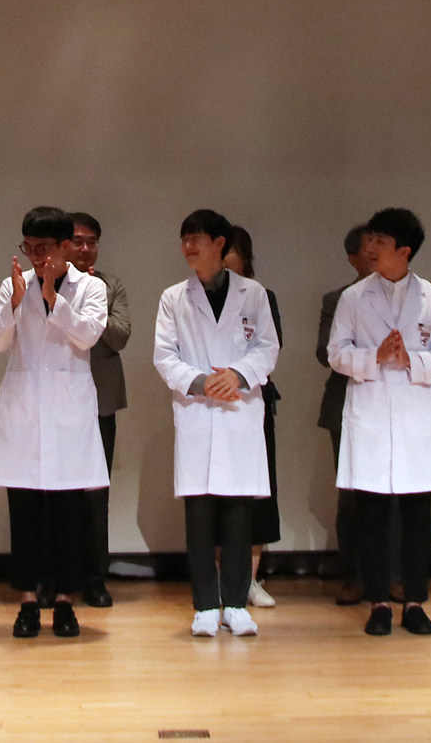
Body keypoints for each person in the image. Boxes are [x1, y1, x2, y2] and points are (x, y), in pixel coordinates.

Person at [329, 207, 431, 637]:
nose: (370, 248)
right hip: (370, 411)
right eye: (369, 239)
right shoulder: (353, 298)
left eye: (380, 242)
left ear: (404, 251)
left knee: (416, 515)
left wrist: (411, 361)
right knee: (372, 515)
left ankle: (416, 602)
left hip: (414, 413)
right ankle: (379, 603)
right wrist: (375, 356)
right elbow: (336, 353)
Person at [0, 206, 110, 639]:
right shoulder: (13, 284)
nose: (36, 257)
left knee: (69, 516)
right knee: (25, 515)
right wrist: (16, 302)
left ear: (65, 247)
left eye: (44, 248)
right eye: (29, 248)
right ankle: (27, 603)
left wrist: (54, 298)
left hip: (68, 413)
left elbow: (87, 335)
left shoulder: (90, 287)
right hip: (24, 412)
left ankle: (66, 604)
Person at [156, 209, 280, 637]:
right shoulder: (174, 297)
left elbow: (267, 347)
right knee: (200, 516)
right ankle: (206, 605)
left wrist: (238, 376)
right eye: (184, 238)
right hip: (198, 409)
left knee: (239, 515)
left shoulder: (253, 293)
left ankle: (237, 604)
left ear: (220, 244)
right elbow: (164, 356)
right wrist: (200, 382)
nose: (189, 246)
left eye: (198, 238)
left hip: (239, 410)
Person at [318, 223, 385, 606]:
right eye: (368, 248)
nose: (375, 254)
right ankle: (355, 576)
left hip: (395, 404)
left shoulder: (407, 297)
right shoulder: (338, 299)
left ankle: (393, 576)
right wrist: (370, 351)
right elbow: (323, 351)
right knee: (353, 496)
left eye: (381, 245)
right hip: (347, 403)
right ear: (352, 258)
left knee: (396, 492)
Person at [68, 212, 129, 608]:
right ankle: (54, 576)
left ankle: (95, 579)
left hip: (99, 402)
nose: (86, 248)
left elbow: (120, 336)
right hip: (57, 402)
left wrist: (92, 305)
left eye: (92, 241)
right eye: (78, 241)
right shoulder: (49, 286)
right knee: (54, 493)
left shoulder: (111, 286)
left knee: (95, 495)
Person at [223, 225, 282, 607]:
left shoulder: (262, 296)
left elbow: (269, 349)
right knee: (217, 493)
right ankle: (220, 578)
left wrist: (237, 377)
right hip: (209, 402)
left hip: (253, 401)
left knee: (257, 491)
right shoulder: (194, 296)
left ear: (245, 259)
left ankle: (250, 580)